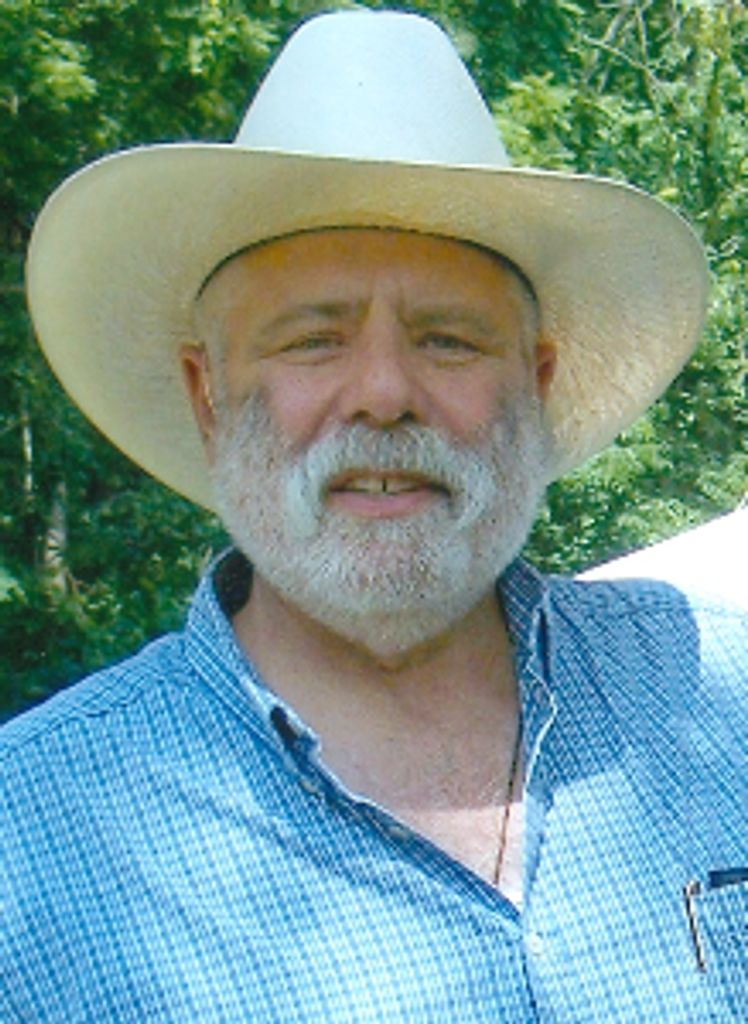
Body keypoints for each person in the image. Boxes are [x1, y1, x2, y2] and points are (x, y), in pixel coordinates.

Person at [2, 11, 746, 1023]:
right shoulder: (28, 848)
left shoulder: (724, 696)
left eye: (448, 340)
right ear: (207, 395)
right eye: (313, 340)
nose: (385, 393)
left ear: (535, 386)